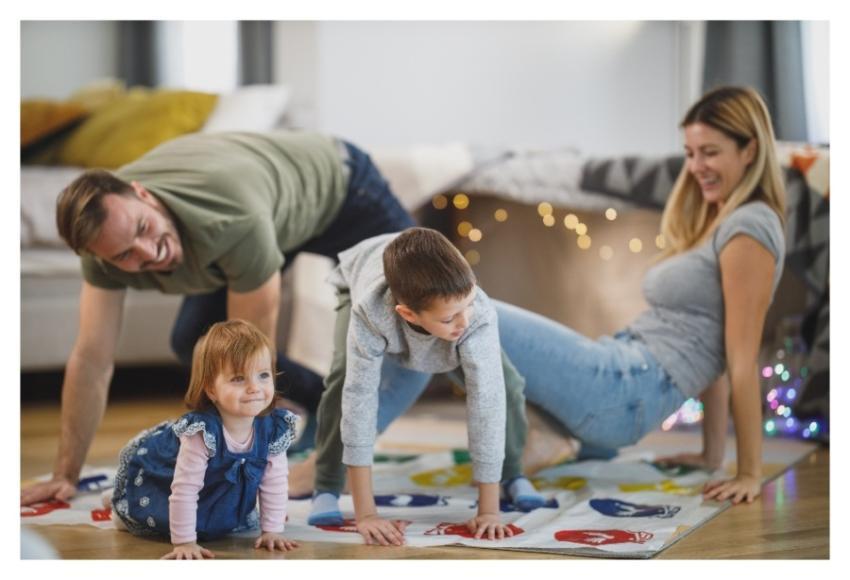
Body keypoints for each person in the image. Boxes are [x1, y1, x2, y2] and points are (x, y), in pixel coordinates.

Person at [354, 86, 787, 507]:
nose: (696, 167)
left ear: (750, 150)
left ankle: (336, 465)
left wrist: (749, 471)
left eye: (710, 152)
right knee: (447, 327)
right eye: (691, 153)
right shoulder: (721, 217)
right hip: (621, 369)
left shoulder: (750, 230)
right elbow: (709, 342)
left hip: (625, 387)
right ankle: (550, 435)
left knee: (459, 313)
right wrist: (710, 454)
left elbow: (739, 357)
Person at [21, 130, 414, 506]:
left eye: (145, 228)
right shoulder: (103, 246)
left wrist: (243, 469)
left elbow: (249, 359)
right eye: (125, 255)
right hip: (268, 203)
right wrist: (65, 474)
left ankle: (329, 464)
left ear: (144, 194)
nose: (149, 254)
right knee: (198, 342)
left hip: (341, 187)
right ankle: (323, 407)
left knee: (417, 317)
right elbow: (91, 360)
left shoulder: (228, 217)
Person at [308, 228, 544, 545]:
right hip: (361, 280)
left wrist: (489, 511)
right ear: (408, 314)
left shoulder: (475, 315)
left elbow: (487, 400)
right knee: (342, 380)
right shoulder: (370, 311)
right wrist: (366, 514)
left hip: (429, 289)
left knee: (507, 383)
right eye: (449, 319)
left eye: (468, 304)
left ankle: (513, 474)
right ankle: (326, 485)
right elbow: (359, 400)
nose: (463, 322)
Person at [109, 319, 299, 559]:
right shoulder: (201, 433)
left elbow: (275, 482)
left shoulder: (273, 430)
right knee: (139, 514)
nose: (254, 388)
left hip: (220, 498)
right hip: (168, 481)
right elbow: (185, 490)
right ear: (211, 389)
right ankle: (121, 499)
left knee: (231, 518)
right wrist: (185, 542)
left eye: (263, 375)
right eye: (239, 379)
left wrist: (272, 530)